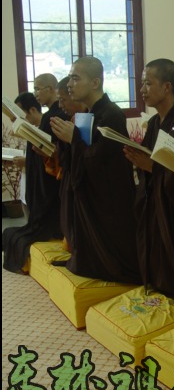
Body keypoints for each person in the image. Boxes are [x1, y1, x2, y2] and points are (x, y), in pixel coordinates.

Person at [123, 59, 174, 302]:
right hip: (156, 205)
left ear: (167, 87)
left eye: (148, 83)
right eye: (142, 84)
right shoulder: (155, 123)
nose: (142, 90)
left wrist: (151, 167)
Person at [50, 56, 140, 284]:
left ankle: (109, 268)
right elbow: (79, 158)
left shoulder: (111, 114)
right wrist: (67, 141)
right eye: (69, 78)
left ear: (95, 82)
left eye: (75, 78)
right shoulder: (87, 115)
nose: (70, 85)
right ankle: (88, 261)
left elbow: (103, 162)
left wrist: (74, 139)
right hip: (91, 193)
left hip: (109, 197)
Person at [3, 74, 69, 273]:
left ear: (51, 89)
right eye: (34, 89)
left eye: (38, 88)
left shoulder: (56, 116)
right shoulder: (49, 116)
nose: (36, 93)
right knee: (12, 233)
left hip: (51, 183)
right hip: (45, 178)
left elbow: (56, 153)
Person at [52, 77, 88, 252]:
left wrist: (71, 138)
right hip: (69, 176)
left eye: (63, 100)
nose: (60, 105)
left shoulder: (88, 119)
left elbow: (88, 154)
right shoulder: (74, 118)